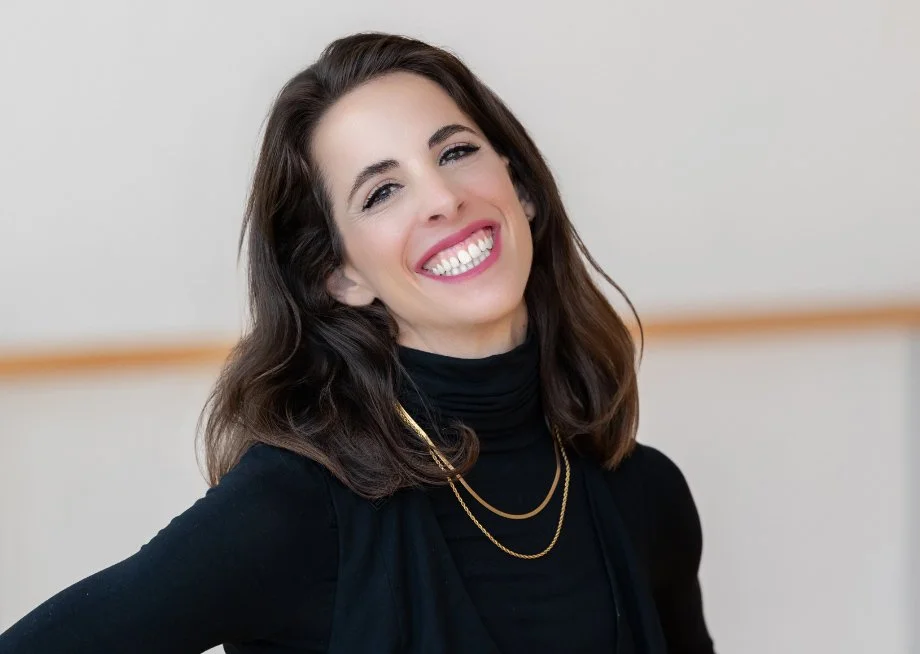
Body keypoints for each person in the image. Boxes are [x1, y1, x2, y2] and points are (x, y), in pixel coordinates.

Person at [0, 32, 715, 653]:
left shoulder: (645, 496)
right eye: (380, 192)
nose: (441, 197)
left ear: (520, 186)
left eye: (457, 151)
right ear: (340, 274)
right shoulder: (291, 510)